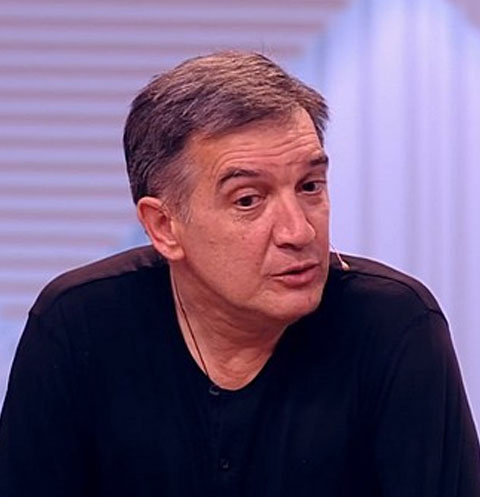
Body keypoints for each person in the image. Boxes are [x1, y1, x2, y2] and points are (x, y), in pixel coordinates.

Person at [0, 51, 479, 497]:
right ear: (163, 226)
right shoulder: (79, 326)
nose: (298, 231)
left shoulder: (393, 326)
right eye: (248, 200)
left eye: (310, 186)